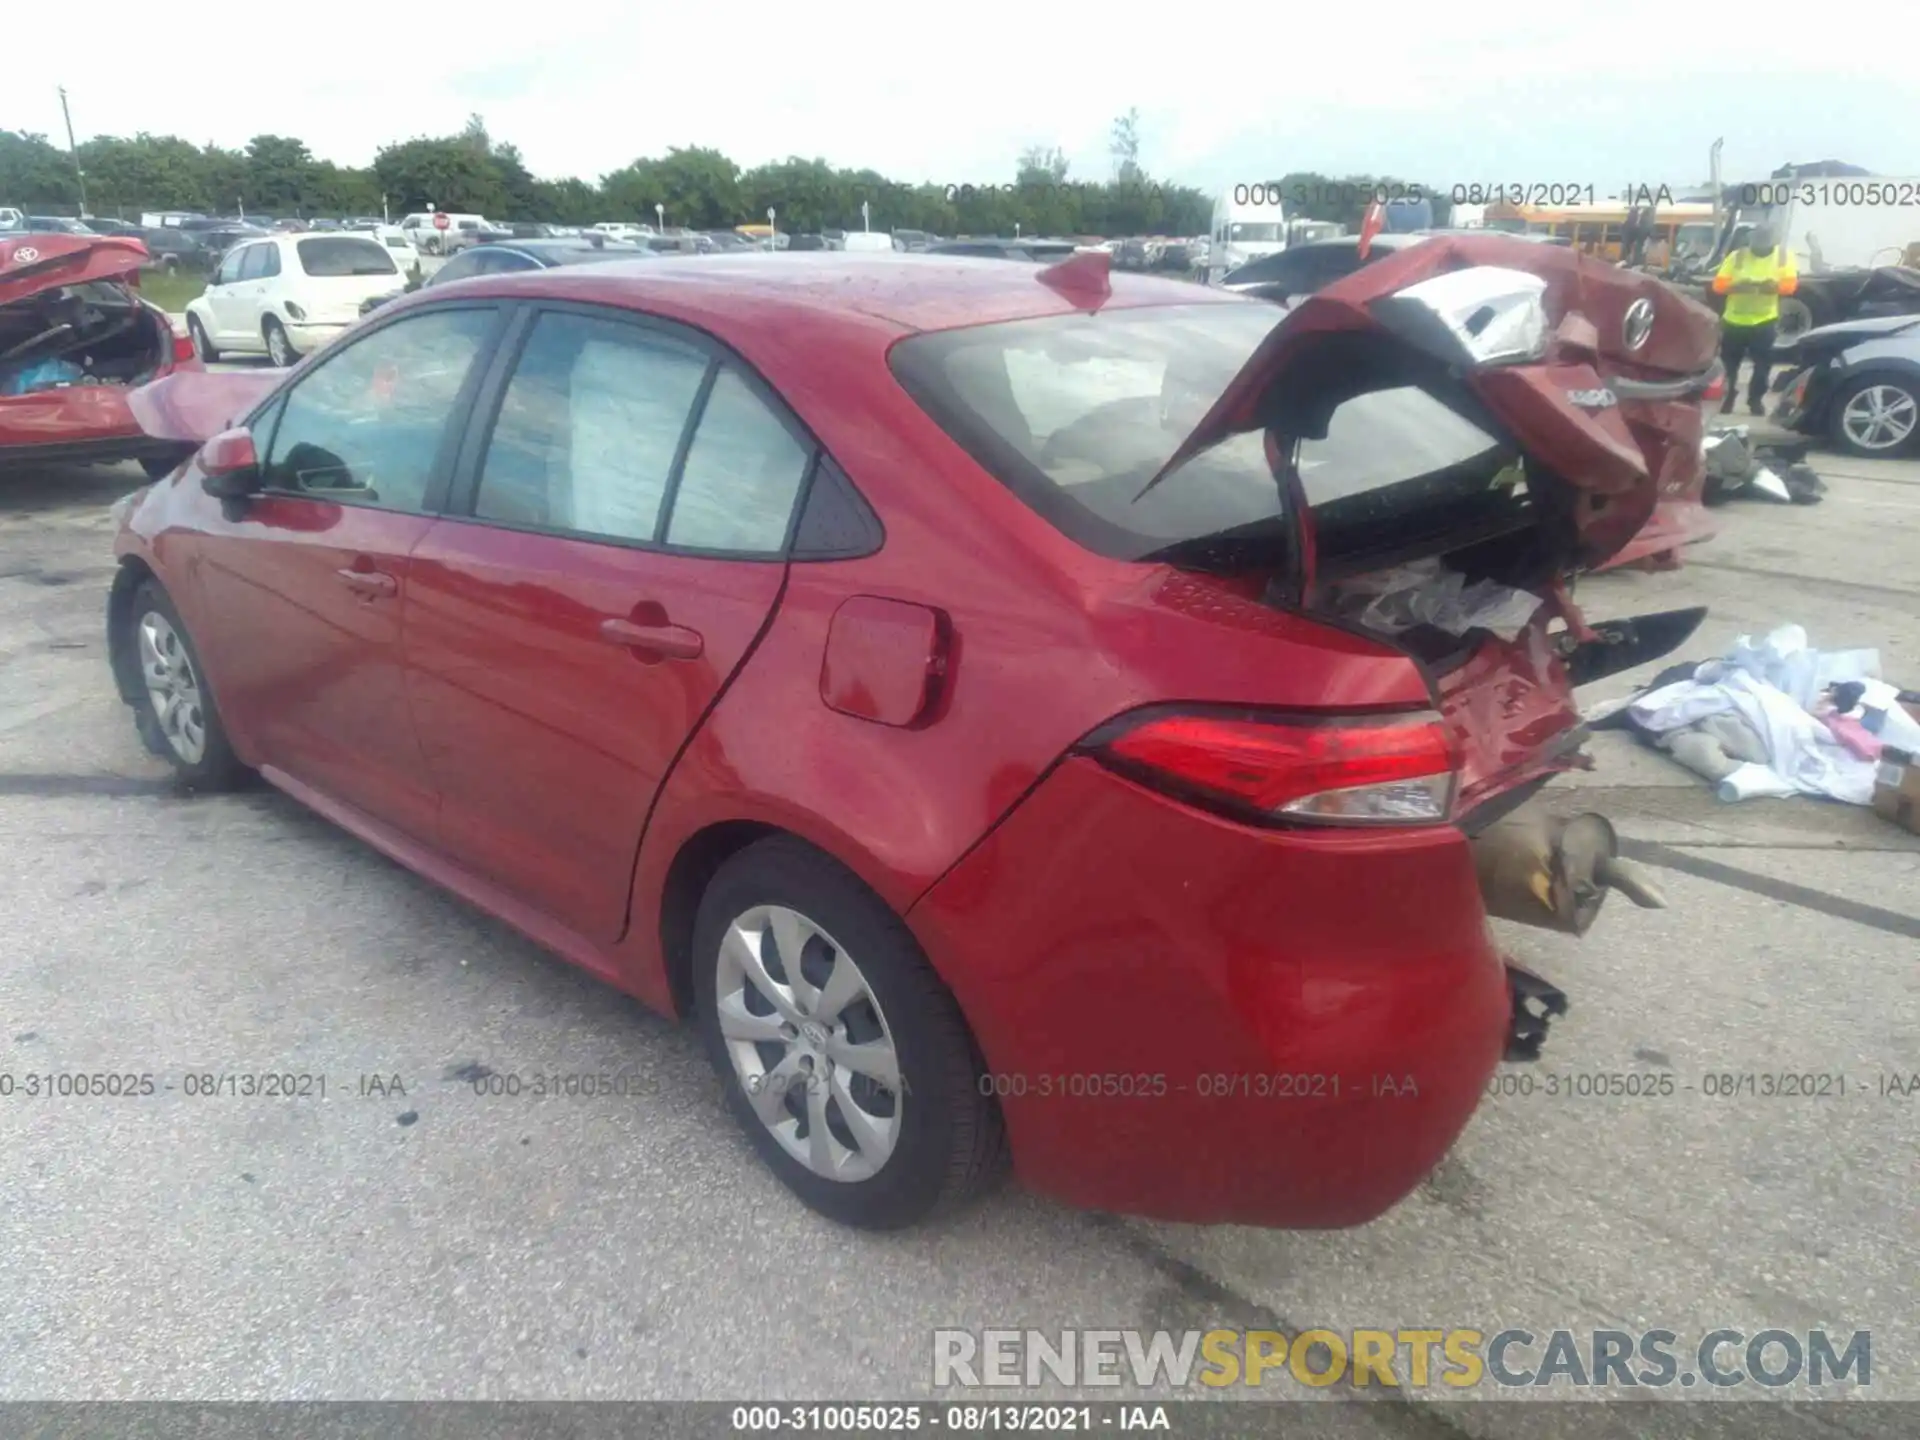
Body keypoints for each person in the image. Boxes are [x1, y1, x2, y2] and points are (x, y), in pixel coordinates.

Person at [1711, 222, 1798, 416]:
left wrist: (1770, 286)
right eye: (1756, 241)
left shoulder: (1783, 256)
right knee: (1729, 365)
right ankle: (1727, 400)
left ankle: (1755, 401)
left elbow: (1789, 286)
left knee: (1762, 366)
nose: (1758, 246)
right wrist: (1739, 285)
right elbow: (1718, 285)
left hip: (1764, 320)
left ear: (1772, 241)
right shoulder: (1738, 256)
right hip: (1735, 320)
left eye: (1763, 242)